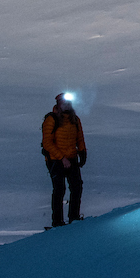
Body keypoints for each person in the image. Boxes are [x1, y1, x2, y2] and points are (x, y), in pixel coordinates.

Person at [41, 92, 87, 228]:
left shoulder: (75, 119)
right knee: (59, 189)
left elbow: (80, 137)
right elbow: (47, 143)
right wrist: (62, 158)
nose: (66, 105)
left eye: (68, 103)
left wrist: (82, 152)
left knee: (77, 187)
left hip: (71, 158)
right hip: (55, 160)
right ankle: (57, 221)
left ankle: (74, 217)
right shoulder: (51, 119)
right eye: (64, 103)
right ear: (58, 104)